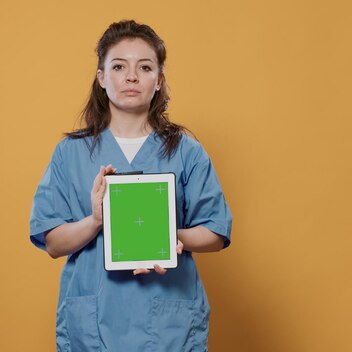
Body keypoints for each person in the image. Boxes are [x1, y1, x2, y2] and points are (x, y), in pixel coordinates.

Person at [30, 19, 232, 352]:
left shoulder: (187, 152)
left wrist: (167, 238)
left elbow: (215, 232)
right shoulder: (70, 153)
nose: (132, 76)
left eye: (145, 67)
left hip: (169, 321)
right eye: (119, 66)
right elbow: (52, 241)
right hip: (95, 320)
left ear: (159, 80)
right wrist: (96, 219)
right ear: (101, 78)